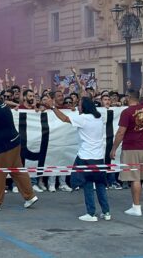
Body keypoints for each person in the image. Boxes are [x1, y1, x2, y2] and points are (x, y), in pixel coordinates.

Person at [110, 64, 143, 217]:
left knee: (134, 178)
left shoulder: (127, 112)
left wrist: (113, 148)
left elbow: (120, 133)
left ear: (128, 98)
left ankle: (136, 206)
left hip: (130, 148)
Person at [47, 93, 110, 222]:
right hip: (99, 157)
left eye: (80, 105)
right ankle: (106, 211)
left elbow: (64, 118)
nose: (78, 107)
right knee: (100, 185)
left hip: (86, 156)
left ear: (84, 107)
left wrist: (53, 107)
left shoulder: (83, 119)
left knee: (87, 185)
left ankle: (91, 213)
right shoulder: (99, 117)